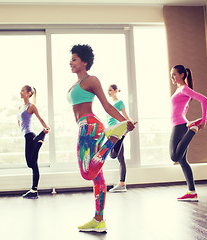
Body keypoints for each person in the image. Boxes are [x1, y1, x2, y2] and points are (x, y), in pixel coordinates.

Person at [67, 44, 136, 232]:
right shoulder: (75, 84)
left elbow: (106, 105)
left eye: (74, 59)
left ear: (84, 62)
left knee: (86, 173)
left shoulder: (92, 80)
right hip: (86, 125)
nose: (70, 62)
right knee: (97, 177)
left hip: (90, 126)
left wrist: (125, 122)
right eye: (71, 59)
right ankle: (99, 220)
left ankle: (112, 139)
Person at [169, 64, 207, 202]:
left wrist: (203, 120)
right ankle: (192, 192)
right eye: (171, 74)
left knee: (174, 157)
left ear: (182, 75)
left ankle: (193, 129)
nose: (172, 77)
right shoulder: (179, 89)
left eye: (174, 74)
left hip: (180, 125)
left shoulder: (184, 89)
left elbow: (204, 99)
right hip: (180, 124)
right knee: (182, 160)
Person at [17, 85, 50, 199]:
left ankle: (34, 190)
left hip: (30, 135)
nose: (20, 92)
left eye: (23, 91)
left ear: (28, 93)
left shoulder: (31, 106)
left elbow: (40, 118)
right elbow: (19, 120)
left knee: (32, 164)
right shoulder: (21, 106)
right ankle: (39, 140)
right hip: (27, 136)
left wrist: (46, 127)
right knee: (30, 163)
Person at [107, 84, 131, 193]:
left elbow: (125, 115)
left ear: (116, 91)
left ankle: (122, 136)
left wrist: (130, 123)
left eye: (110, 90)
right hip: (111, 130)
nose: (109, 92)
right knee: (120, 158)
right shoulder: (110, 103)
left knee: (113, 155)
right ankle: (122, 184)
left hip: (117, 130)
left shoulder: (119, 102)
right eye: (108, 90)